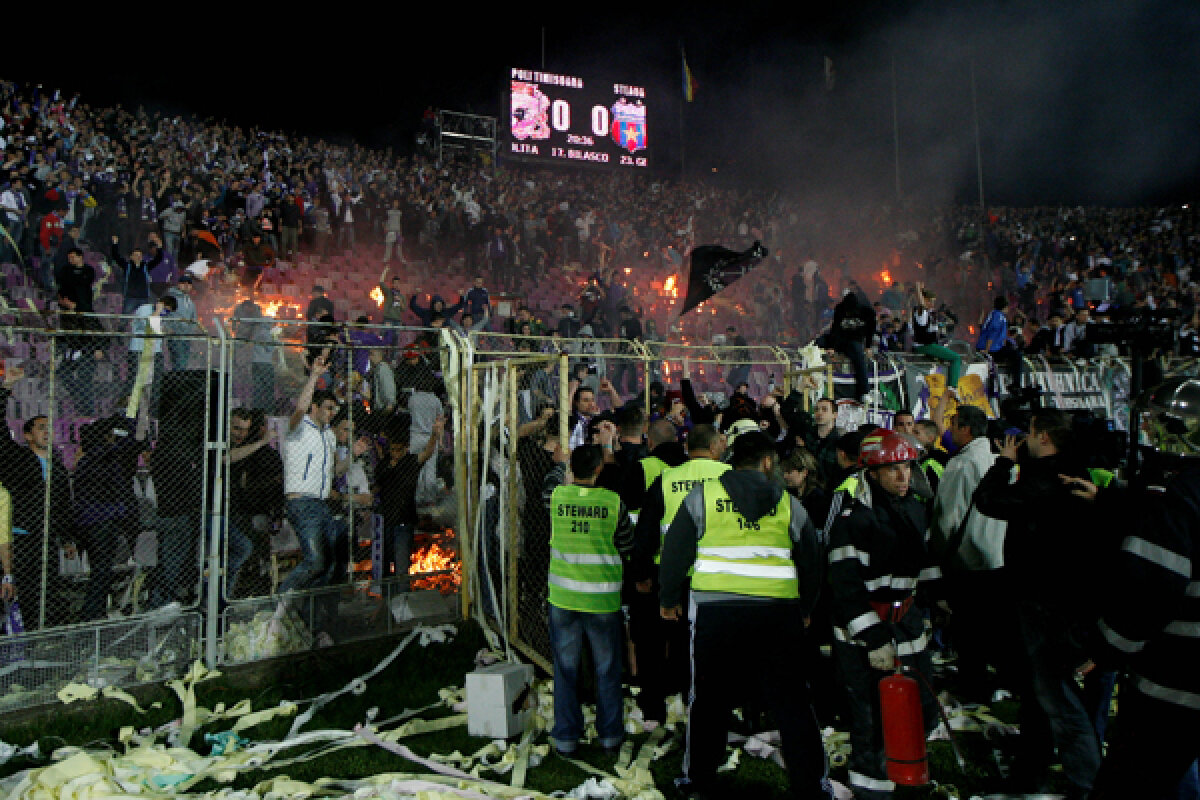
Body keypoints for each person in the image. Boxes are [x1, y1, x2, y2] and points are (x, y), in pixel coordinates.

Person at [660, 432, 833, 800]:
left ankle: (698, 782)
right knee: (792, 701)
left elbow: (675, 550)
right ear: (768, 463)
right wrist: (805, 608)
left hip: (716, 614)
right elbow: (812, 560)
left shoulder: (702, 496)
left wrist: (668, 598)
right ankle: (811, 785)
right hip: (778, 614)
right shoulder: (787, 503)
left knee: (708, 699)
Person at [972, 408, 1101, 797]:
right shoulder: (1073, 472)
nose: (1022, 440)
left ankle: (1086, 783)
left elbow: (989, 501)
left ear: (1044, 437)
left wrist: (1003, 464)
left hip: (1046, 604)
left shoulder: (1048, 480)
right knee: (1039, 697)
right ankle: (1032, 772)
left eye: (1028, 434)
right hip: (1056, 599)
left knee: (1057, 700)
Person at [1083, 377, 1200, 799]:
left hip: (1176, 677)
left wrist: (1106, 649)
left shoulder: (1176, 497)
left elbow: (1148, 588)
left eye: (1155, 422)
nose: (1147, 431)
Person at [826, 428, 941, 800]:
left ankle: (908, 774)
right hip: (865, 631)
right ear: (872, 473)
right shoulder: (853, 518)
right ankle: (871, 787)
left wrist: (938, 599)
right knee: (871, 714)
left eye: (906, 467)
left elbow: (926, 564)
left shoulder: (915, 509)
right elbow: (844, 586)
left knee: (917, 705)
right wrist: (873, 638)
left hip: (906, 623)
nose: (903, 476)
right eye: (893, 470)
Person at [629, 424, 728, 726]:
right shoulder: (728, 477)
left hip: (668, 575)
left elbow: (646, 532)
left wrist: (643, 573)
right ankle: (702, 708)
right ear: (715, 448)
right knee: (705, 649)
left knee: (654, 646)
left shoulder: (667, 479)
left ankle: (654, 710)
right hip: (714, 576)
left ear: (687, 449)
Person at [542, 443, 635, 755]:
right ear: (599, 469)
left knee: (566, 669)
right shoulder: (613, 502)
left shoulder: (557, 497)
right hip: (602, 600)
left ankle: (566, 738)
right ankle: (610, 737)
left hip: (564, 598)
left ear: (572, 471)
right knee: (607, 670)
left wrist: (560, 464)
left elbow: (548, 485)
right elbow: (626, 543)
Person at [927, 405, 1011, 701]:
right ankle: (1000, 683)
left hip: (968, 560)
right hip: (997, 557)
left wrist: (937, 554)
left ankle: (973, 688)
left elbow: (946, 518)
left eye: (952, 425)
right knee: (993, 628)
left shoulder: (961, 465)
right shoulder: (997, 459)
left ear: (966, 429)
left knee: (969, 632)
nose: (948, 431)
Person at [280, 352, 367, 598]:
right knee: (315, 562)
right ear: (315, 407)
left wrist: (353, 455)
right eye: (327, 408)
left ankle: (311, 610)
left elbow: (335, 471)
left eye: (334, 409)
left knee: (331, 564)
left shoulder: (328, 434)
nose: (331, 413)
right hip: (301, 502)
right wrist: (315, 377)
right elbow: (299, 408)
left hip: (321, 504)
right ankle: (279, 601)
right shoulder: (298, 428)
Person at [376, 417, 444, 585]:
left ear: (406, 449)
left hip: (403, 521)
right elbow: (377, 484)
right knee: (384, 567)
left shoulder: (409, 463)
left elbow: (427, 453)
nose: (395, 454)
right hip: (385, 521)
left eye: (399, 450)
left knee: (401, 567)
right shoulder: (384, 465)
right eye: (393, 450)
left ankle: (403, 599)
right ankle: (387, 600)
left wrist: (434, 435)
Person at [227, 408, 283, 599]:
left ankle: (247, 588)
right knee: (252, 552)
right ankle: (252, 588)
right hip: (249, 512)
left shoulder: (254, 452)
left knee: (252, 553)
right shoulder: (251, 451)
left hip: (249, 511)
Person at [231, 287, 277, 412]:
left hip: (254, 356)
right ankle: (265, 409)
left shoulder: (257, 314)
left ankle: (257, 408)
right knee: (264, 387)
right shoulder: (264, 333)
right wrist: (275, 341)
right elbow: (269, 347)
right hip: (258, 357)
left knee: (257, 386)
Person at [912, 283, 962, 391]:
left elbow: (934, 326)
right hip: (924, 346)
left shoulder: (930, 314)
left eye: (933, 301)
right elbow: (921, 305)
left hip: (930, 344)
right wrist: (919, 291)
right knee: (956, 358)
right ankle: (952, 387)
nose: (932, 304)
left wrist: (944, 324)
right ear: (925, 300)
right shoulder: (921, 312)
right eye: (930, 301)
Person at [112, 233, 164, 315]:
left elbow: (158, 259)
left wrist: (160, 247)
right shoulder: (127, 266)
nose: (138, 257)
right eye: (136, 255)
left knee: (144, 318)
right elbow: (116, 257)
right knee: (125, 318)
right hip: (130, 298)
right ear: (131, 257)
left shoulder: (146, 266)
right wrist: (115, 244)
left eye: (140, 255)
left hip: (143, 298)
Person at [164, 273, 198, 370]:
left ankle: (177, 383)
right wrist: (168, 329)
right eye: (183, 283)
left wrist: (191, 331)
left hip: (186, 337)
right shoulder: (171, 298)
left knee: (183, 364)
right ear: (179, 284)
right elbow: (162, 315)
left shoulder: (190, 302)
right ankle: (176, 383)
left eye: (189, 283)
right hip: (175, 337)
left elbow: (194, 318)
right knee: (179, 364)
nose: (186, 285)